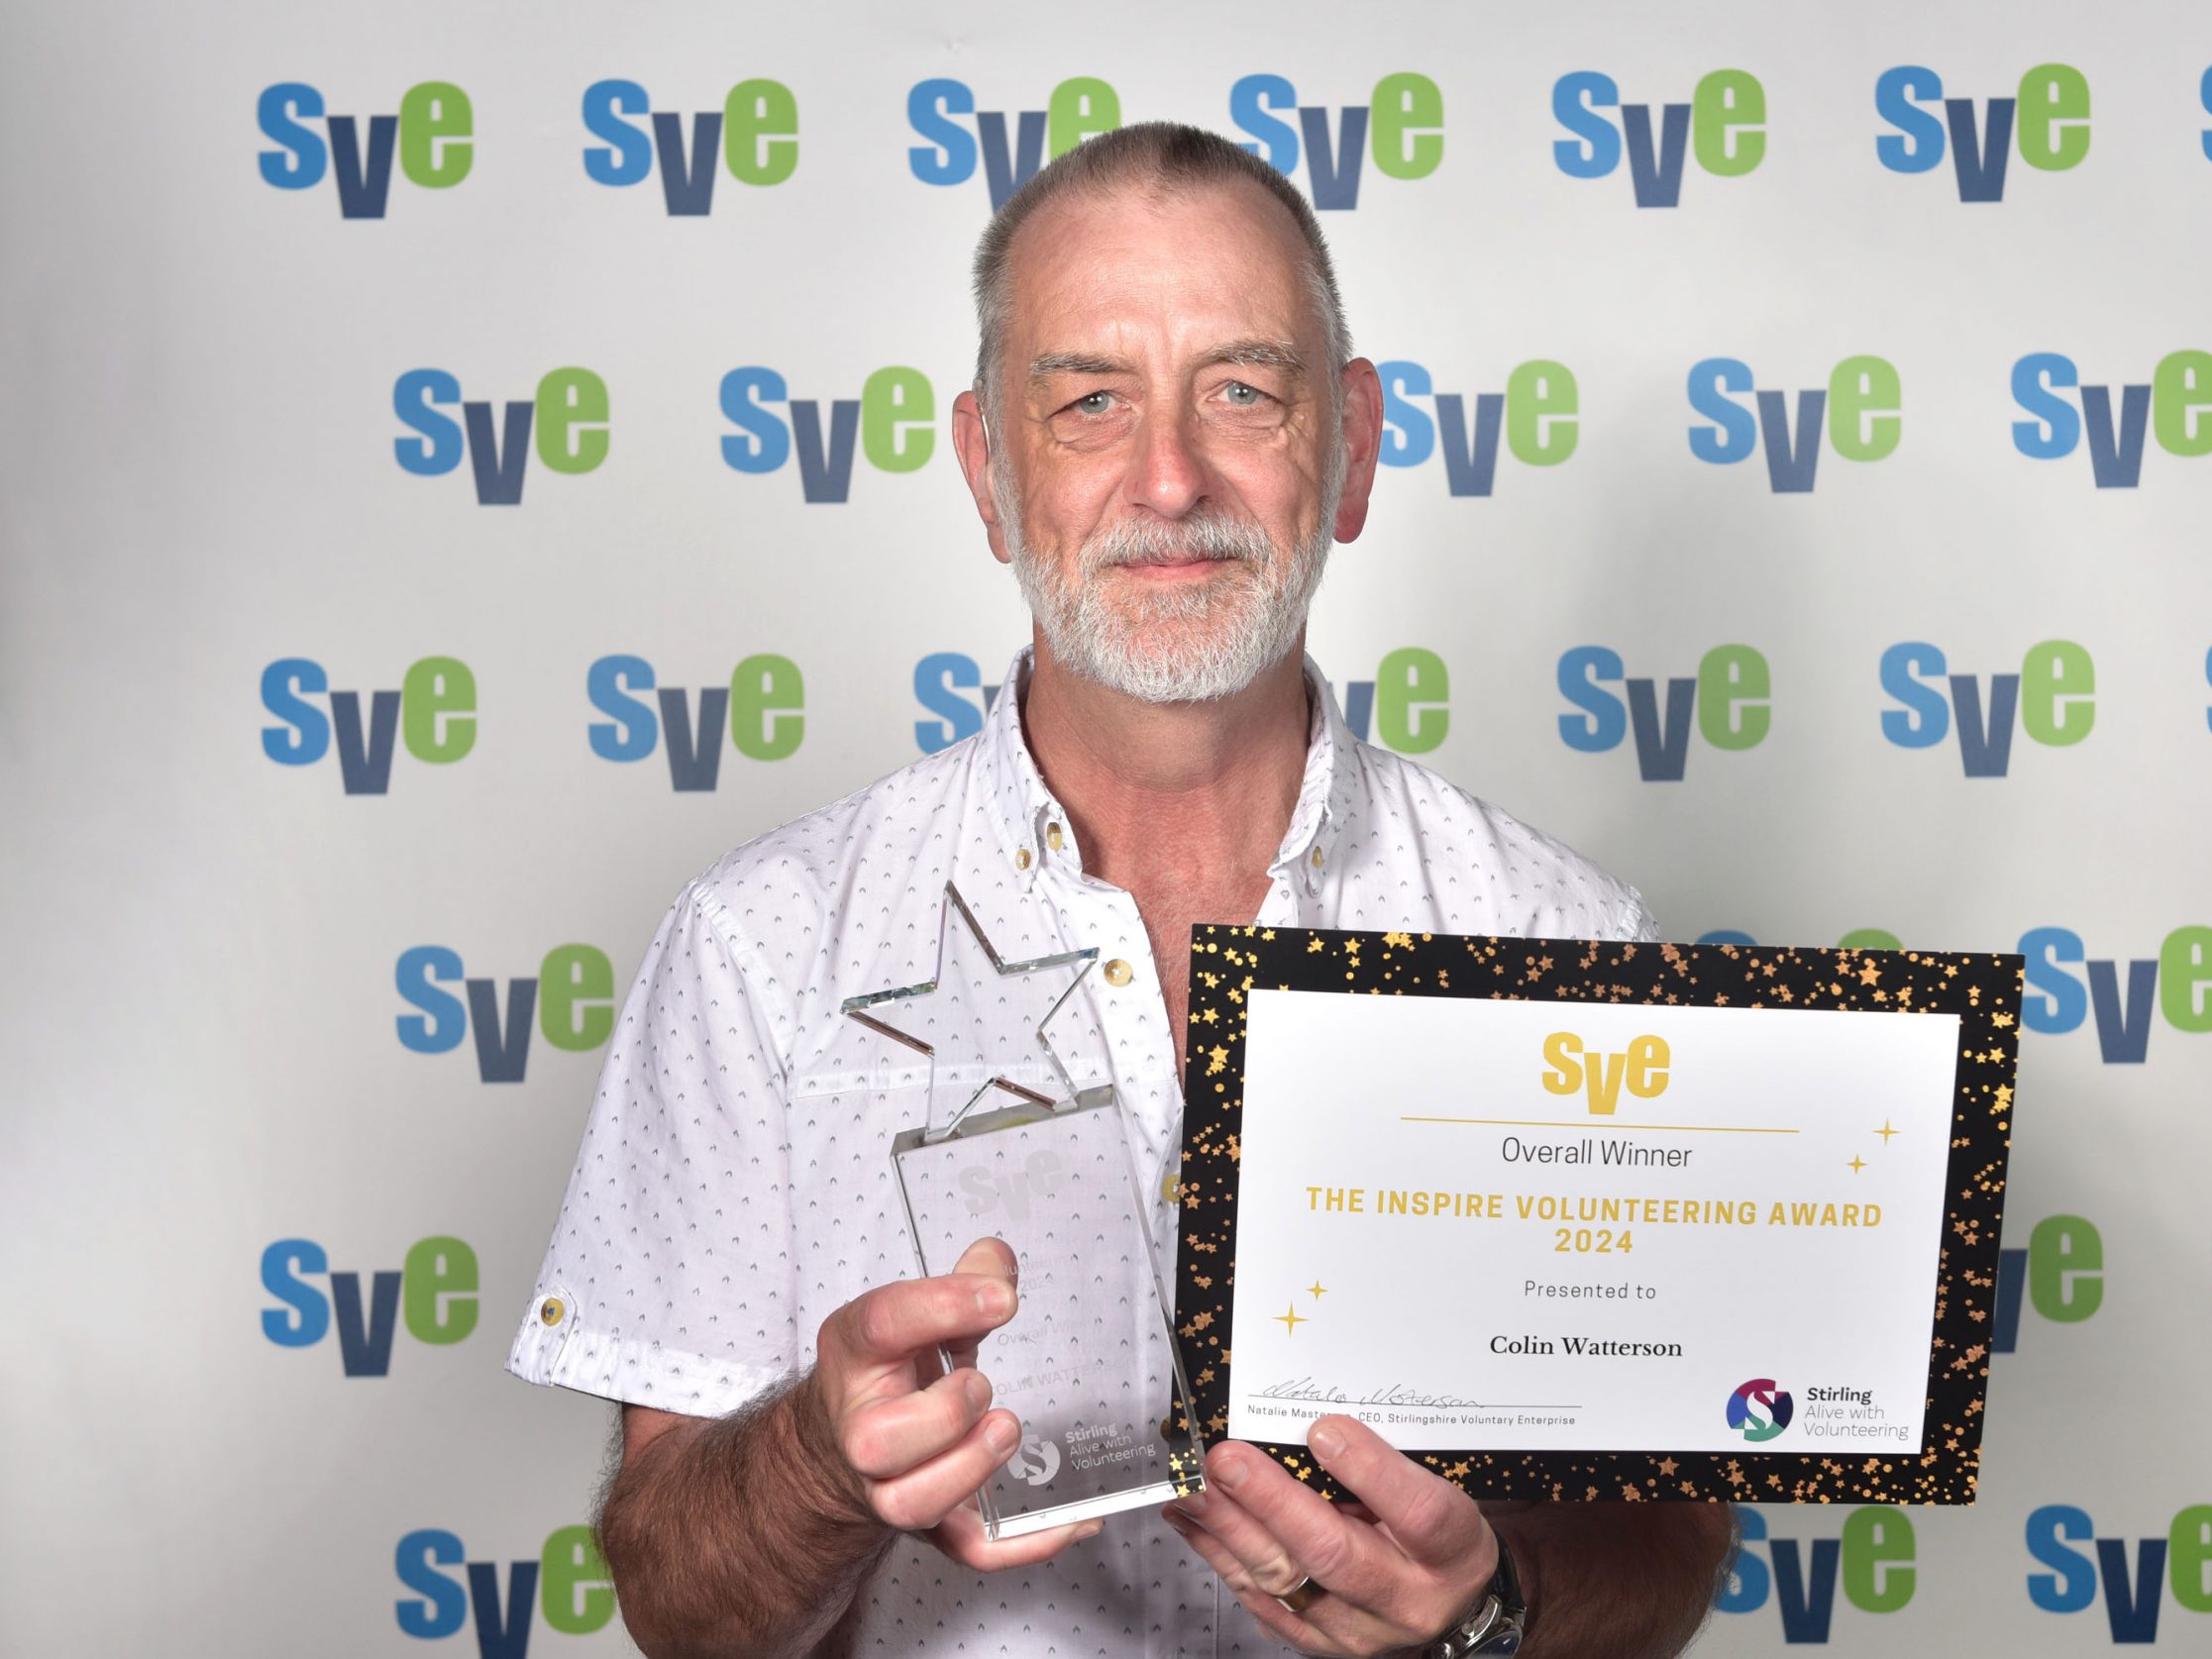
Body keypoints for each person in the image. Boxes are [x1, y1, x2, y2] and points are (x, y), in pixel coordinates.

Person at [508, 120, 1732, 1658]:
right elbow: (677, 1608)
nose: (1169, 477)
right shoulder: (760, 948)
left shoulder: (1559, 941)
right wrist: (822, 1459)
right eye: (1089, 401)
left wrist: (1489, 1612)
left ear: (1347, 445)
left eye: (1242, 390)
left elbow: (1664, 1558)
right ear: (989, 471)